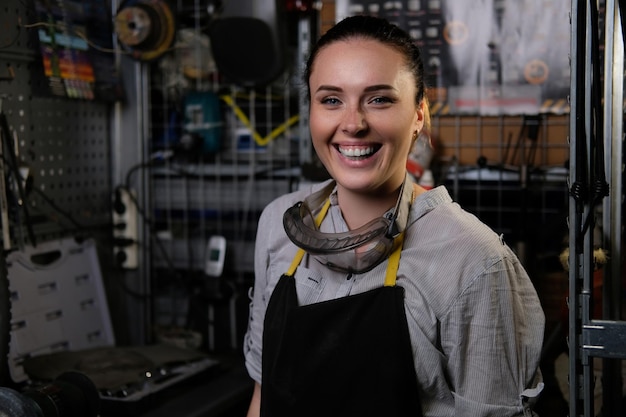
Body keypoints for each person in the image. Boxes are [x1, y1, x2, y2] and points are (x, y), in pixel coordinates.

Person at [243, 15, 545, 417]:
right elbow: (264, 396)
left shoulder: (474, 263)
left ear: (419, 114)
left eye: (379, 99)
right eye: (331, 99)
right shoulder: (279, 224)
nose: (352, 123)